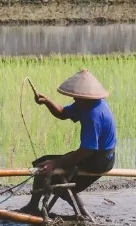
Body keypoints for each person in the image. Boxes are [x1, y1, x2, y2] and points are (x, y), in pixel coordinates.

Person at [18, 68, 117, 217]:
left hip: (99, 160)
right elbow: (63, 113)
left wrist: (56, 163)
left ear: (85, 96)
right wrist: (47, 102)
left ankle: (80, 214)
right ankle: (34, 206)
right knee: (44, 163)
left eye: (76, 97)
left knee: (50, 172)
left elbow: (87, 150)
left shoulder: (93, 115)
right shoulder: (86, 104)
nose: (74, 99)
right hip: (98, 154)